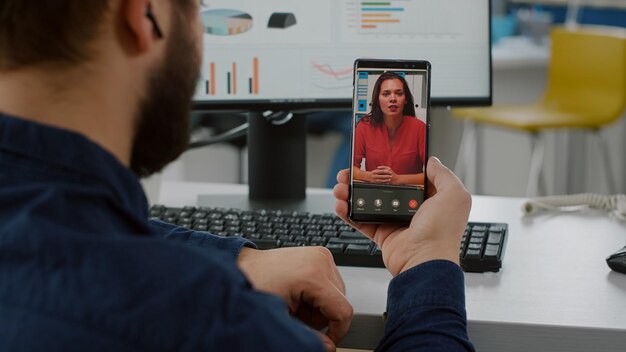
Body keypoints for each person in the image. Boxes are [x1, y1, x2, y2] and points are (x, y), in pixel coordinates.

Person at [0, 1, 474, 351]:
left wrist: (237, 260)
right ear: (142, 15)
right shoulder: (208, 322)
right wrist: (426, 258)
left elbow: (72, 228)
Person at [353, 72, 427, 187]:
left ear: (406, 99)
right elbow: (352, 169)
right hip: (374, 192)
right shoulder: (364, 126)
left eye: (399, 93)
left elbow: (430, 176)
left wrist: (397, 179)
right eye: (386, 94)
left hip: (409, 195)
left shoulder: (419, 128)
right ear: (377, 100)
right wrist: (369, 177)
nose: (393, 99)